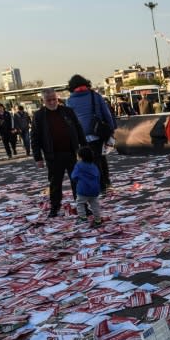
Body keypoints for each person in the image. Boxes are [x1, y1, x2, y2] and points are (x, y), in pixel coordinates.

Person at [31, 89, 87, 217]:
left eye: (54, 99)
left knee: (77, 182)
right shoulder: (39, 116)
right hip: (53, 155)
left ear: (58, 98)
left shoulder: (68, 111)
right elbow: (35, 137)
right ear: (43, 101)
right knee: (55, 184)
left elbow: (79, 130)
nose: (52, 102)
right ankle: (55, 208)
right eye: (48, 100)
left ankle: (82, 206)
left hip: (72, 153)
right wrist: (38, 157)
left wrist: (84, 148)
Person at [65, 75, 116, 192]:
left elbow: (69, 121)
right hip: (97, 132)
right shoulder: (95, 96)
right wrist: (111, 129)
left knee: (91, 160)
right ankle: (104, 183)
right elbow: (106, 113)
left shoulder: (69, 101)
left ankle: (101, 184)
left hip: (81, 135)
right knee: (100, 157)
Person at [71, 146, 103, 227]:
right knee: (95, 205)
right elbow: (98, 176)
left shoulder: (79, 165)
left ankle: (83, 217)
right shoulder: (94, 166)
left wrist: (77, 181)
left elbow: (74, 176)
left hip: (83, 189)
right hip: (94, 190)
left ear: (80, 157)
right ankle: (98, 220)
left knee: (80, 203)